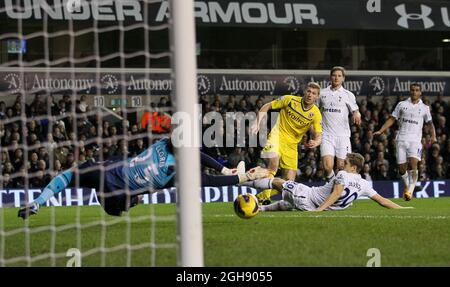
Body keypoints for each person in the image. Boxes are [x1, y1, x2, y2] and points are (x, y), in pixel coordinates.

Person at [18, 137, 269, 219]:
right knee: (76, 178)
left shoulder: (166, 149)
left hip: (112, 173)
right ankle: (38, 201)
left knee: (107, 205)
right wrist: (238, 177)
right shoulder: (175, 168)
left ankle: (38, 201)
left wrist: (233, 174)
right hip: (114, 180)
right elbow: (206, 178)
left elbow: (205, 172)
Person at [244, 153, 412, 212]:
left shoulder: (343, 176)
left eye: (345, 163)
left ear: (353, 167)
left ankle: (241, 180)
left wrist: (320, 210)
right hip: (308, 205)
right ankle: (262, 208)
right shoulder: (365, 185)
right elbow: (383, 201)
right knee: (286, 204)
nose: (342, 165)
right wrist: (402, 209)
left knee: (279, 182)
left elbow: (337, 193)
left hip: (307, 196)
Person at [250, 82, 323, 205]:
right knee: (273, 163)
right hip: (277, 136)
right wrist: (257, 122)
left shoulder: (315, 113)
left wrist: (316, 142)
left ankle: (261, 196)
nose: (310, 95)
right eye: (309, 91)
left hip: (292, 145)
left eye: (314, 93)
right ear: (304, 92)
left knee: (288, 182)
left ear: (317, 97)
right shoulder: (289, 99)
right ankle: (263, 197)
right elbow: (267, 106)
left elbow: (319, 134)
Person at [374, 83, 436, 201]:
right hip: (401, 139)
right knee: (402, 169)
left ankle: (411, 189)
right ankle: (408, 186)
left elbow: (430, 124)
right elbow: (392, 119)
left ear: (420, 92)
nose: (414, 92)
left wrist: (433, 136)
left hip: (415, 141)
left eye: (417, 90)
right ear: (410, 91)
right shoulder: (402, 104)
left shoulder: (425, 108)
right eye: (412, 90)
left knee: (413, 163)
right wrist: (381, 130)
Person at [318, 66, 361, 182]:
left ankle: (341, 194)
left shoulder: (348, 95)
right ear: (330, 77)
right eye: (334, 75)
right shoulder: (322, 94)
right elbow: (315, 111)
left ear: (343, 79)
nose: (336, 78)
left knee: (342, 168)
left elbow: (356, 111)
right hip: (326, 135)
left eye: (339, 76)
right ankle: (334, 189)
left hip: (342, 137)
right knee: (327, 167)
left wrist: (357, 115)